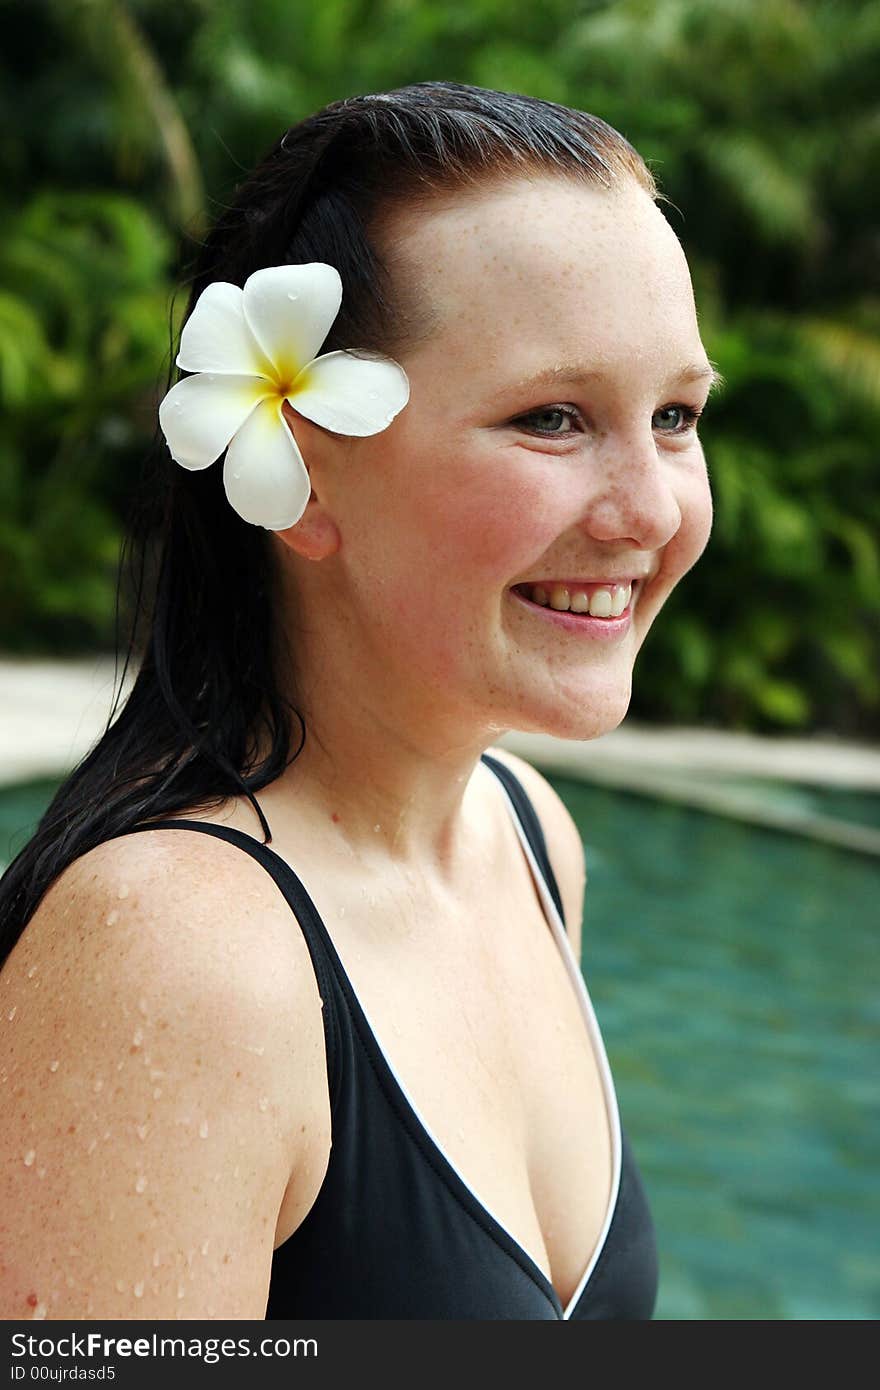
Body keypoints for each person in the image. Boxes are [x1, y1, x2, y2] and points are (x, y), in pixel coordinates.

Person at [0, 81, 719, 1320]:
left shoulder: (526, 836)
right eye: (551, 418)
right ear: (306, 470)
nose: (651, 509)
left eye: (674, 415)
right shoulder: (181, 956)